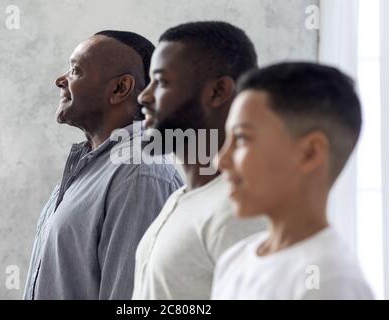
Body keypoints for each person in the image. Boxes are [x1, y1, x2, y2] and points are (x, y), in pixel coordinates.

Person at [23, 30, 183, 300]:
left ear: (120, 89)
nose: (60, 80)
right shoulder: (88, 171)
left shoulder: (140, 174)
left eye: (76, 70)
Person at [213, 62, 374, 299]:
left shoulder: (329, 281)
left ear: (310, 153)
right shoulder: (234, 259)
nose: (220, 159)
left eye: (241, 138)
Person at [132, 21, 266, 300]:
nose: (144, 96)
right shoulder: (181, 198)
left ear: (218, 92)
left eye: (163, 82)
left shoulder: (240, 213)